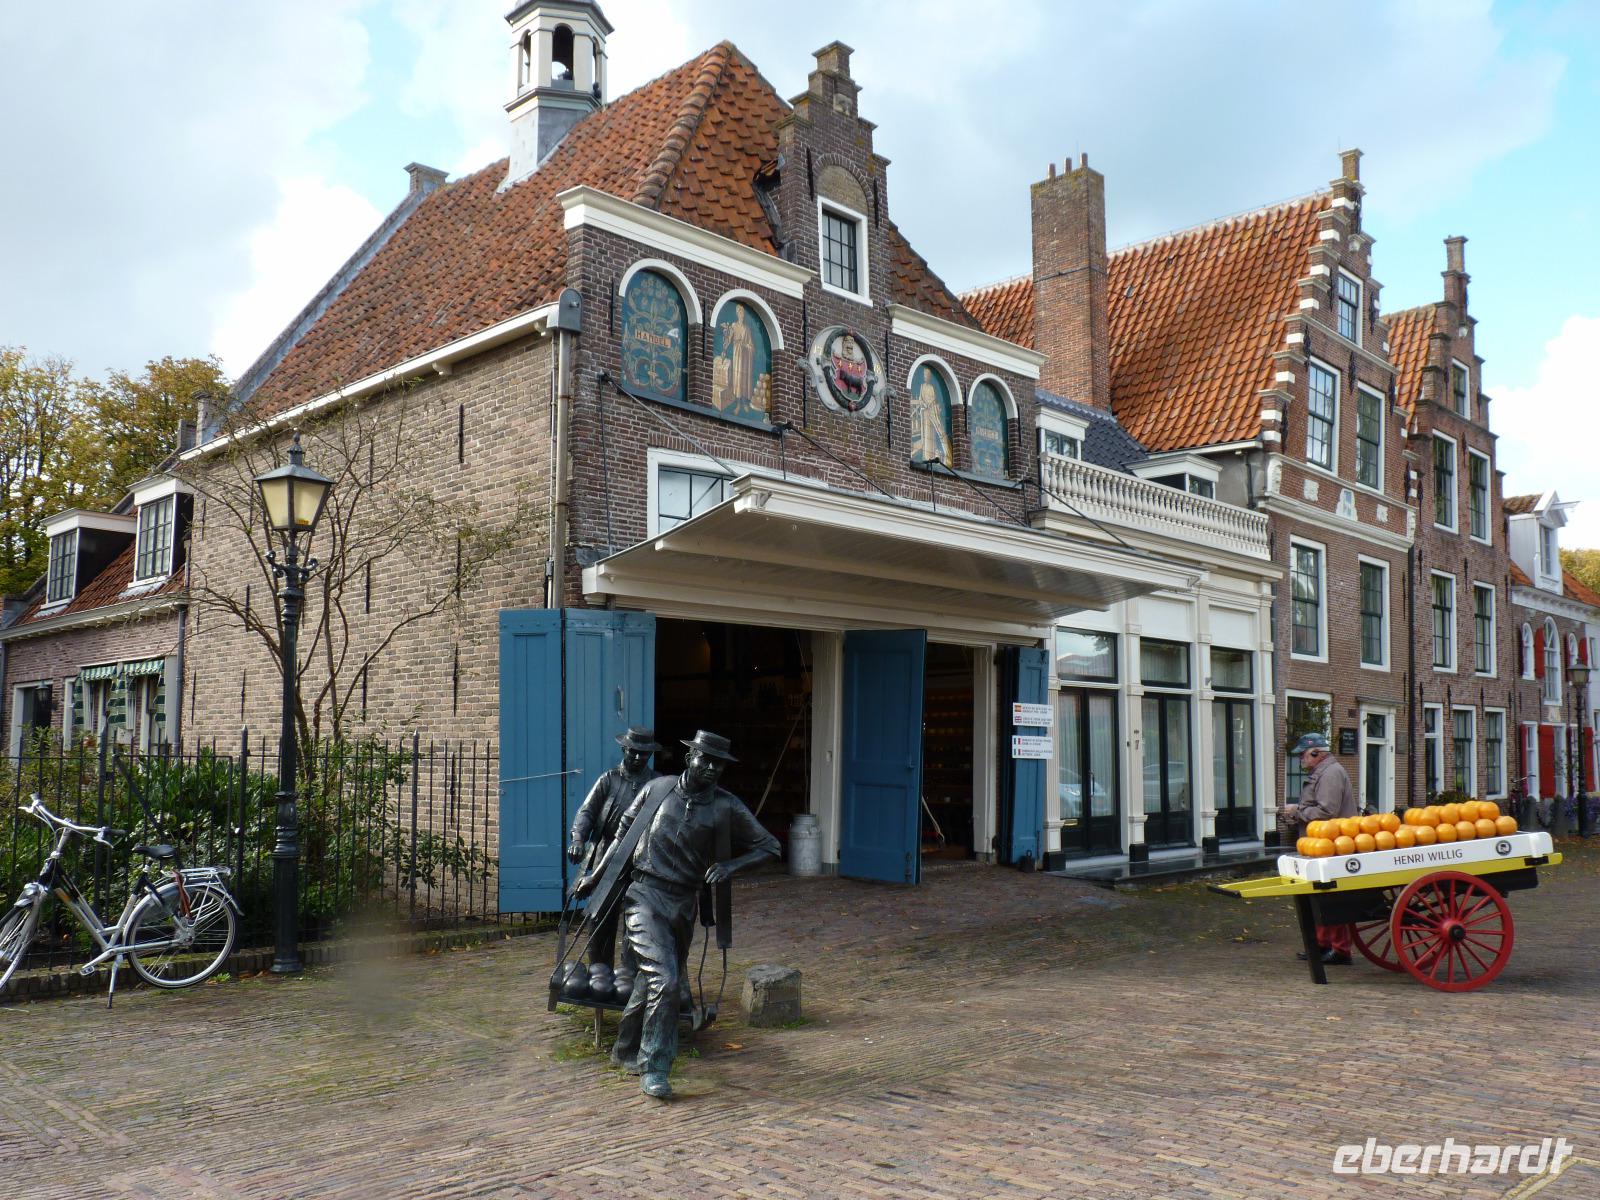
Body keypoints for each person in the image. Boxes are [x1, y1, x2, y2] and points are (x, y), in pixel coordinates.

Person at [575, 730, 780, 1100]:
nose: (712, 768)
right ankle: (654, 1066)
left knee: (648, 981)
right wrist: (596, 877)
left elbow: (770, 846)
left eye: (719, 764)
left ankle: (624, 1048)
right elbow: (622, 838)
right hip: (644, 895)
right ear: (690, 758)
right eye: (706, 759)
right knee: (666, 980)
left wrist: (730, 867)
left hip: (684, 903)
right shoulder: (657, 790)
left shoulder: (725, 806)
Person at [567, 727, 662, 967]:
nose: (638, 757)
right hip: (607, 855)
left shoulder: (657, 784)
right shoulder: (609, 779)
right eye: (633, 751)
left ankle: (631, 973)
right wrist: (578, 838)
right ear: (624, 749)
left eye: (644, 753)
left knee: (639, 918)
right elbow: (587, 812)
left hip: (642, 859)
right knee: (600, 915)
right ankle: (600, 972)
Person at [1278, 733, 1357, 964]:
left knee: (1332, 898)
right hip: (1320, 845)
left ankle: (1340, 950)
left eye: (1303, 754)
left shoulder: (1330, 774)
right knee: (1318, 896)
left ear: (1317, 753)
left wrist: (1296, 812)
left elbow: (1327, 812)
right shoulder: (1322, 773)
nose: (1301, 759)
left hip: (1332, 846)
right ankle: (1322, 945)